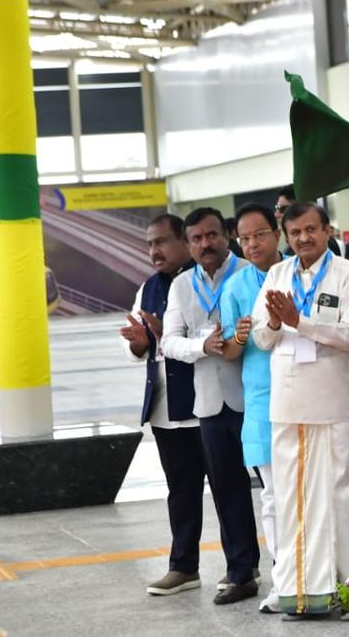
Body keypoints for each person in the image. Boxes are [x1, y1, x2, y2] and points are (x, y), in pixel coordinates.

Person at [251, 202, 349, 620]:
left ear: (327, 231)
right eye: (295, 232)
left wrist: (298, 319)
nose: (303, 238)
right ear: (286, 235)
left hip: (334, 399)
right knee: (292, 498)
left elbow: (348, 335)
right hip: (288, 401)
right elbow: (262, 338)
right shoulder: (276, 274)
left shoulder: (347, 273)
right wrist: (274, 323)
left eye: (311, 229)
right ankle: (300, 591)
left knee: (345, 497)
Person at [160, 207, 261, 605]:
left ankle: (295, 567)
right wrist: (202, 346)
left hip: (256, 393)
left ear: (228, 235)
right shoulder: (182, 286)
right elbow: (169, 341)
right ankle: (242, 570)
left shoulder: (249, 273)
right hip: (211, 404)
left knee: (277, 486)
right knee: (227, 488)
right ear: (188, 244)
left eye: (213, 235)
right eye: (197, 238)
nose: (206, 244)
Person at [119, 214, 203, 597]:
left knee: (228, 488)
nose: (155, 251)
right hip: (166, 408)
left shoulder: (204, 281)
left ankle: (243, 567)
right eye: (150, 244)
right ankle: (183, 567)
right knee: (180, 491)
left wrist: (165, 334)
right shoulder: (148, 288)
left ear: (185, 242)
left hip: (206, 403)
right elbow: (135, 346)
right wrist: (139, 341)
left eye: (163, 242)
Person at [217, 204, 284, 612]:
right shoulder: (237, 286)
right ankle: (285, 578)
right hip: (261, 400)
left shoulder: (298, 273)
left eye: (259, 234)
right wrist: (239, 337)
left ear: (277, 233)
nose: (253, 244)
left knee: (313, 493)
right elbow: (227, 351)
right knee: (273, 496)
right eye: (244, 238)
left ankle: (323, 572)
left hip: (308, 394)